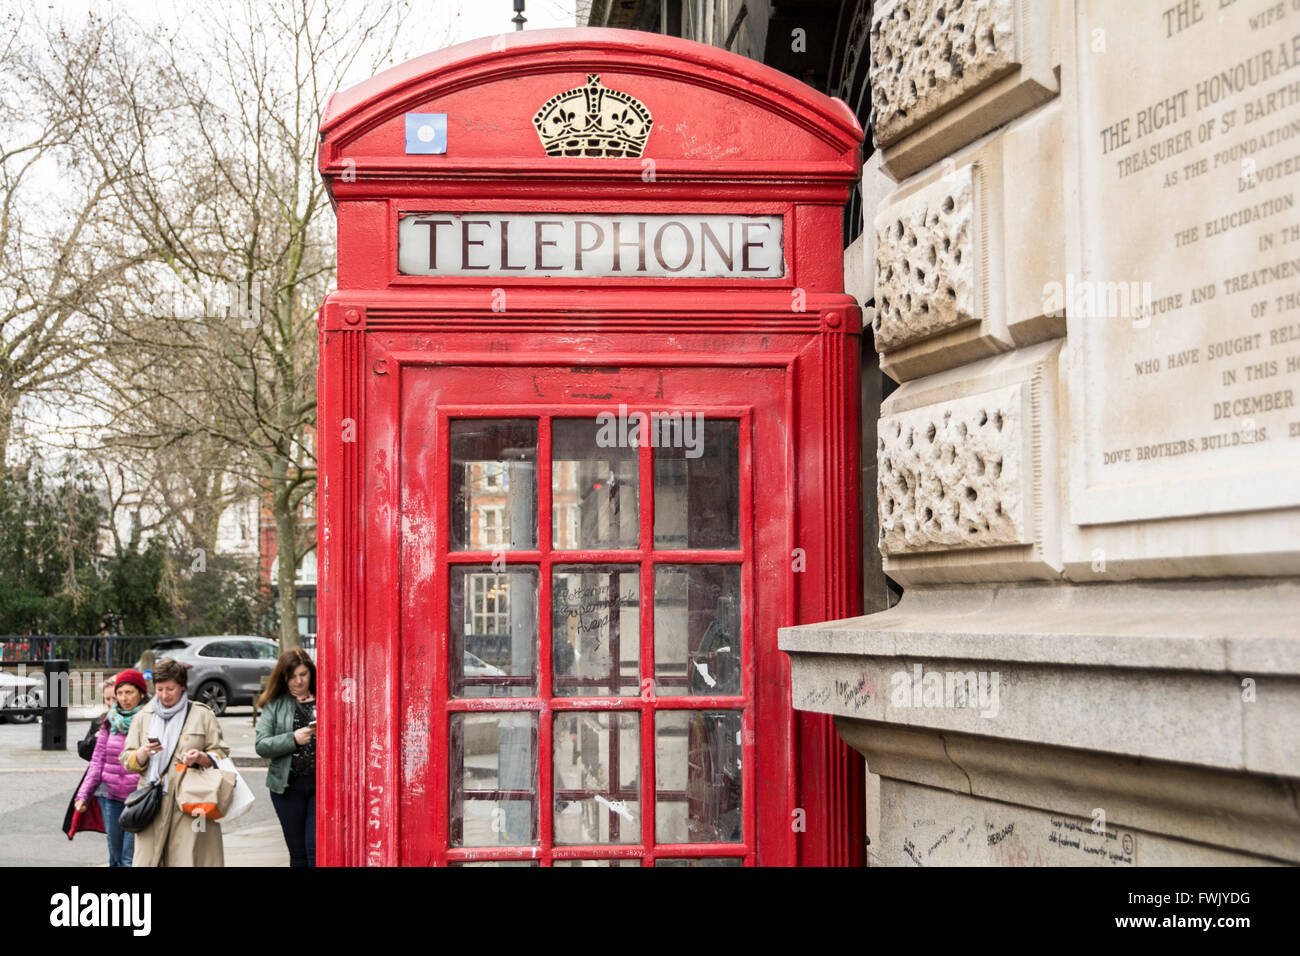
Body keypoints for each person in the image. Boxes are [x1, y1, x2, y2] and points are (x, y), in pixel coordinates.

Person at [120, 657, 229, 867]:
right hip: (152, 804)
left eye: (170, 689)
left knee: (190, 859)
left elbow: (221, 754)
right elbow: (127, 760)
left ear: (182, 687)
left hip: (191, 802)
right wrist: (143, 752)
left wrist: (200, 757)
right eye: (159, 689)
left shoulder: (202, 714)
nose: (163, 695)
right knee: (149, 861)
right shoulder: (144, 716)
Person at [73, 670, 148, 866]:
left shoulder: (149, 719)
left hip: (138, 798)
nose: (124, 698)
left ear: (141, 693)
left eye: (129, 692)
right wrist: (83, 795)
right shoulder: (109, 721)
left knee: (129, 858)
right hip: (111, 798)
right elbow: (97, 761)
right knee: (115, 856)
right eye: (120, 693)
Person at [255, 648, 316, 866]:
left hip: (321, 788)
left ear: (311, 672)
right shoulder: (275, 704)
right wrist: (293, 739)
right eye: (292, 677)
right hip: (287, 789)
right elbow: (261, 745)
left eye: (303, 674)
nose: (299, 681)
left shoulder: (325, 700)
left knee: (315, 850)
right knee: (298, 852)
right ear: (284, 678)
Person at [77, 679, 116, 761]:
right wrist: (94, 738)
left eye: (115, 699)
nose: (111, 703)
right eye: (108, 699)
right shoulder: (99, 721)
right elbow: (84, 753)